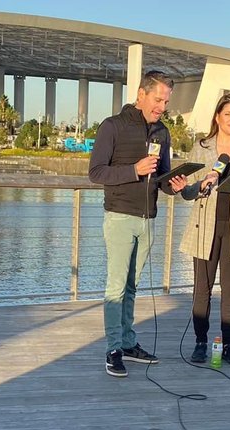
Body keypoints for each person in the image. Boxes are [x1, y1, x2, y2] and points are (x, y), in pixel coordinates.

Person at [88, 70, 181, 378]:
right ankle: (113, 348)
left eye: (166, 101)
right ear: (141, 94)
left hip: (148, 219)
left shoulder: (162, 133)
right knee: (115, 287)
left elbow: (163, 180)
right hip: (119, 217)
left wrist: (175, 184)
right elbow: (97, 173)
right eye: (158, 99)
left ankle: (128, 342)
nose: (162, 107)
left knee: (132, 285)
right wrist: (134, 169)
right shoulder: (112, 126)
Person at [170, 93, 230, 366]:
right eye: (228, 114)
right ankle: (201, 342)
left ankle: (229, 345)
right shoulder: (202, 147)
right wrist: (190, 188)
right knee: (202, 288)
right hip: (205, 228)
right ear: (217, 117)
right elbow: (188, 191)